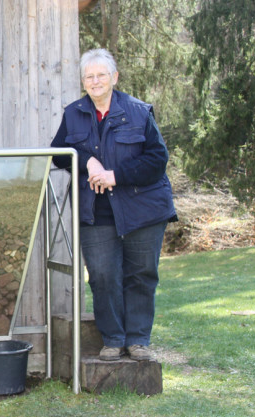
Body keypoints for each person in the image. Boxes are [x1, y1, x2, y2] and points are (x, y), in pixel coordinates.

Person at [51, 48, 177, 361]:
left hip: (143, 209)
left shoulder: (138, 111)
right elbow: (57, 152)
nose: (95, 81)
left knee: (141, 273)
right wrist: (87, 161)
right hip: (96, 212)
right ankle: (113, 339)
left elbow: (157, 160)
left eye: (101, 75)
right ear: (83, 81)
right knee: (103, 276)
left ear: (114, 77)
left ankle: (137, 341)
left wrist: (114, 175)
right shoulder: (73, 113)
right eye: (89, 76)